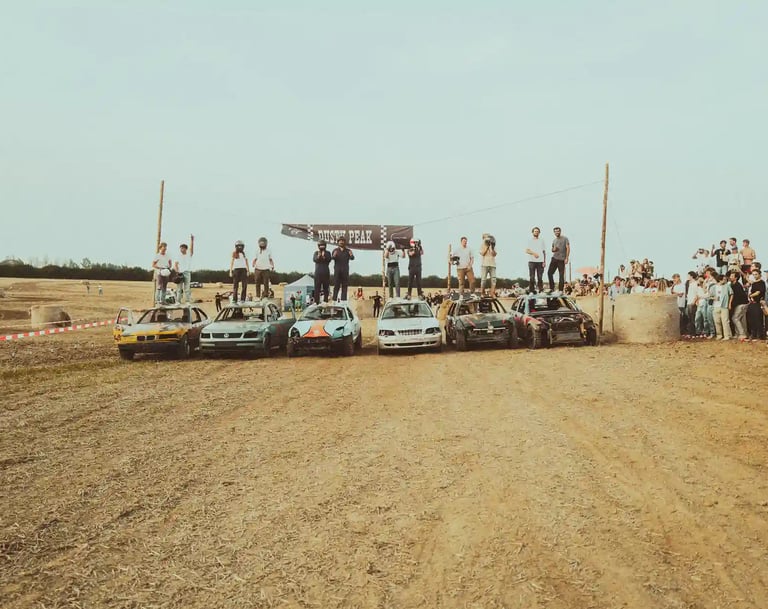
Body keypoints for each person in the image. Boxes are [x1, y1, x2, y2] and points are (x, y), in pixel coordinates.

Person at [332, 236, 354, 301]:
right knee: (336, 286)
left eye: (343, 241)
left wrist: (351, 255)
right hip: (337, 270)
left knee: (344, 286)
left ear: (344, 242)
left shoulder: (348, 250)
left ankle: (343, 301)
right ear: (338, 242)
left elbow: (352, 258)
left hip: (345, 270)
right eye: (340, 241)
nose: (341, 242)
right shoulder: (335, 250)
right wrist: (334, 256)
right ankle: (334, 300)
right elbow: (332, 258)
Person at [547, 227, 570, 292]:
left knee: (561, 275)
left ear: (560, 231)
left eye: (558, 231)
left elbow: (568, 248)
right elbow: (552, 249)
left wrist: (567, 257)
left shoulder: (565, 238)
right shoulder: (554, 240)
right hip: (554, 258)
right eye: (555, 231)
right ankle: (552, 288)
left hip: (561, 259)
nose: (557, 232)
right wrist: (553, 249)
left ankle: (560, 290)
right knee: (549, 273)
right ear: (554, 232)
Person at [728, 270, 749, 340]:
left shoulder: (737, 286)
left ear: (736, 278)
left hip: (741, 304)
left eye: (732, 276)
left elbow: (737, 297)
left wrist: (731, 304)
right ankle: (740, 334)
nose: (730, 277)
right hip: (741, 304)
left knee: (735, 318)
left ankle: (742, 334)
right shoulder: (733, 285)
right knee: (742, 319)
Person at [746, 268, 766, 341]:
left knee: (758, 319)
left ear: (759, 274)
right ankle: (753, 334)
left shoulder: (762, 283)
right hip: (752, 303)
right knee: (751, 319)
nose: (755, 276)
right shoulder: (754, 283)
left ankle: (759, 335)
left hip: (758, 303)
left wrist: (751, 296)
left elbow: (758, 292)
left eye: (756, 274)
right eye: (753, 274)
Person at [174, 235, 195, 304]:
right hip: (180, 273)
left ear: (185, 249)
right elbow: (176, 264)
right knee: (179, 288)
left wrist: (192, 240)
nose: (181, 249)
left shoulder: (189, 254)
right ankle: (178, 301)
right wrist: (177, 271)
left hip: (187, 272)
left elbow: (192, 249)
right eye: (180, 248)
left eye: (182, 248)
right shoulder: (178, 256)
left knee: (187, 288)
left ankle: (187, 301)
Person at [525, 227, 546, 293]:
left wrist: (544, 261)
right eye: (535, 231)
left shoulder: (541, 240)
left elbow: (544, 251)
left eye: (537, 231)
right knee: (532, 277)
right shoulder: (529, 240)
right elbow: (527, 250)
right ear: (533, 232)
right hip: (532, 261)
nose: (536, 232)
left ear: (539, 233)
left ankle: (540, 290)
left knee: (540, 277)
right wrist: (534, 253)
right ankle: (531, 290)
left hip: (540, 261)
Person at [712, 272, 732, 340]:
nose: (725, 280)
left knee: (725, 321)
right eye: (723, 279)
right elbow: (710, 296)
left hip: (724, 305)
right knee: (717, 321)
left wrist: (729, 303)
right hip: (716, 306)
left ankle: (727, 336)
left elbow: (731, 294)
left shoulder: (727, 286)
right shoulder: (713, 287)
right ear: (719, 280)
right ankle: (719, 335)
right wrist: (713, 298)